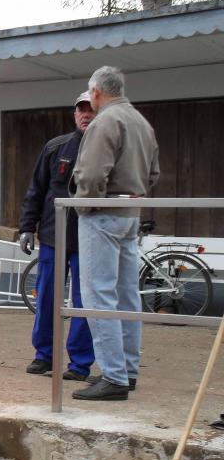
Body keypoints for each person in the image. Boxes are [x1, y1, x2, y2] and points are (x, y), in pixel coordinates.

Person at [71, 66, 160, 401]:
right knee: (126, 295)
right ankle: (127, 371)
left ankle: (114, 375)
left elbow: (92, 175)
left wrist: (84, 206)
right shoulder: (141, 122)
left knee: (99, 294)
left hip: (103, 213)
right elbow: (153, 173)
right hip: (130, 213)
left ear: (96, 92)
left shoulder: (105, 121)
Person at [19, 92, 96, 381]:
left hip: (88, 241)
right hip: (54, 237)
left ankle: (79, 364)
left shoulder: (106, 150)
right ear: (74, 114)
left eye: (91, 110)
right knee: (47, 298)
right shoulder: (56, 147)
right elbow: (36, 189)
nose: (86, 115)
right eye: (81, 110)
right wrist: (27, 227)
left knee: (83, 302)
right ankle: (44, 355)